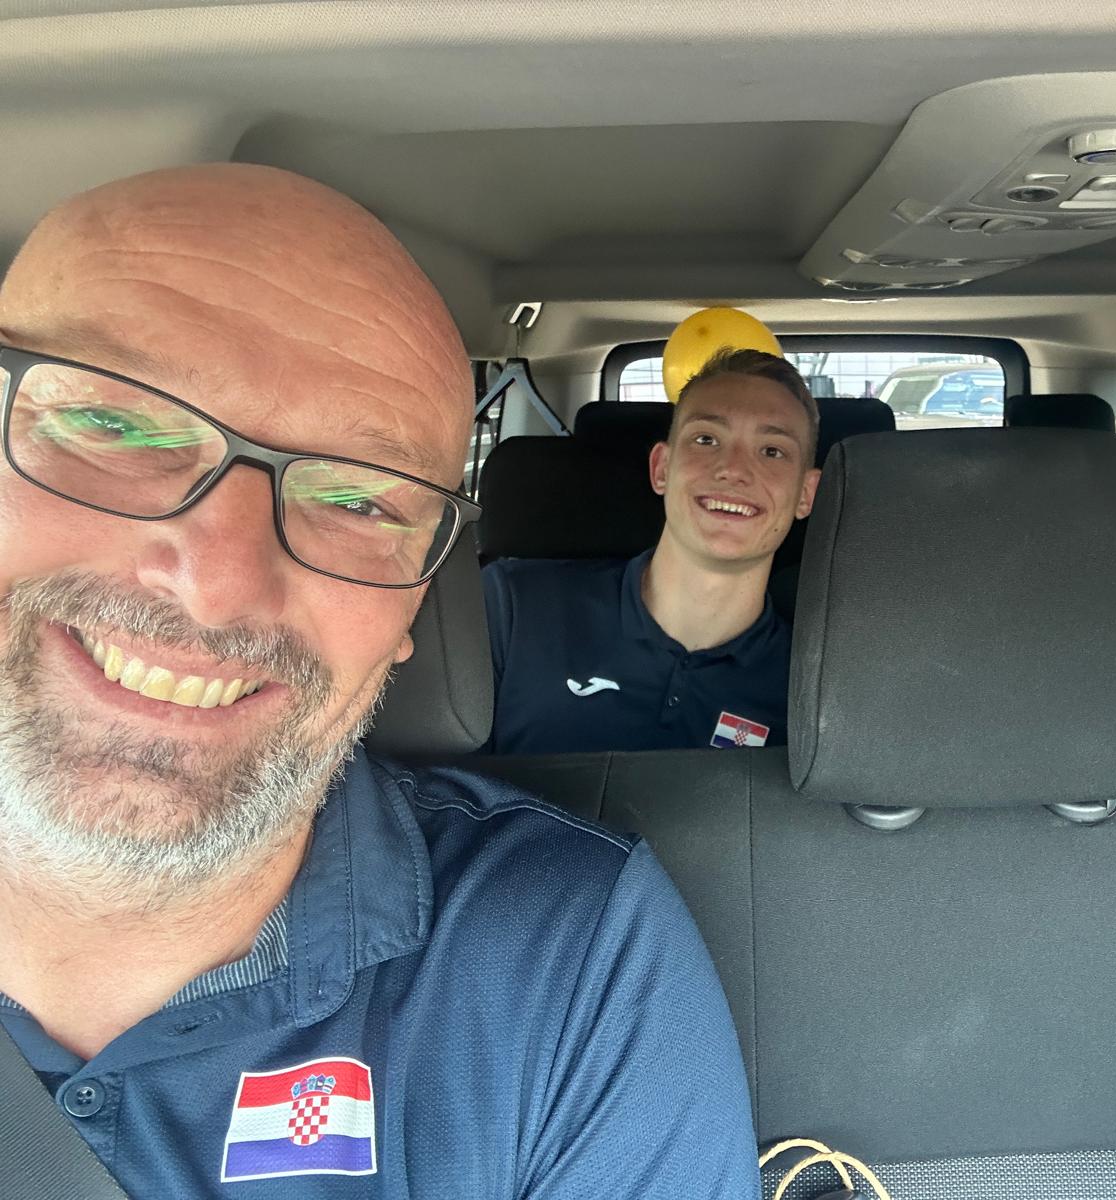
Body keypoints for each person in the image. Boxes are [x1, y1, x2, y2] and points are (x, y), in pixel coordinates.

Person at [0, 165, 755, 1197]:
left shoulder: (561, 960)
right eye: (118, 425)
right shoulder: (533, 609)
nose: (218, 587)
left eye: (359, 501)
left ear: (414, 614)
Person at [482, 347, 821, 754]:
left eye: (772, 451)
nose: (733, 469)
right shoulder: (512, 607)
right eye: (707, 439)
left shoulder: (815, 692)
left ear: (806, 494)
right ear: (661, 468)